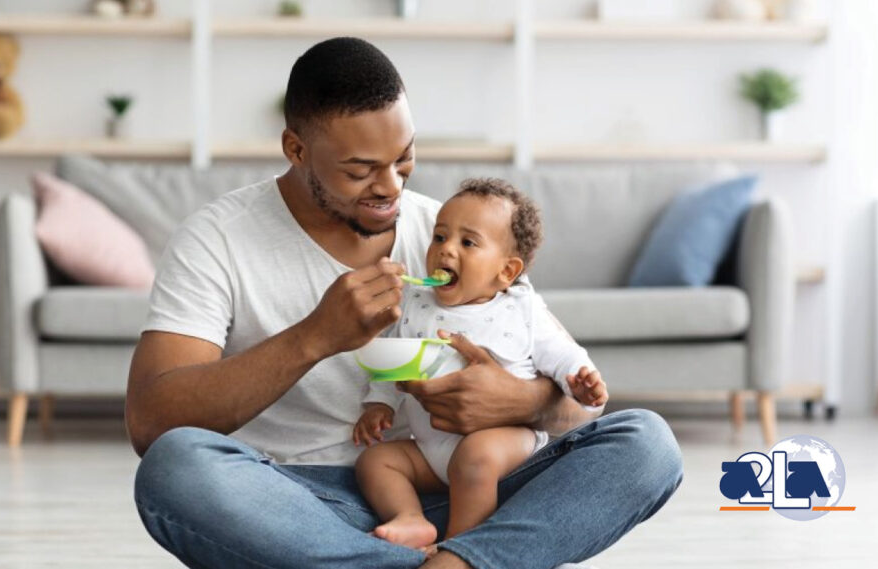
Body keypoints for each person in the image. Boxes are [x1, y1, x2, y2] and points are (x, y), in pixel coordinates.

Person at [127, 36, 683, 569]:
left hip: (462, 490)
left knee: (646, 443)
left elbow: (581, 404)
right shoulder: (216, 240)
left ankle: (449, 560)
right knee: (175, 471)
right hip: (294, 503)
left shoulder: (454, 234)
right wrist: (315, 336)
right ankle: (472, 560)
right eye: (360, 169)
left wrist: (519, 402)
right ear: (296, 149)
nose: (390, 186)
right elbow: (153, 425)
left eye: (404, 157)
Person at [353, 178, 608, 557]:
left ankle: (459, 550)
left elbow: (562, 355)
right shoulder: (416, 302)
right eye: (440, 237)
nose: (446, 251)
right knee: (376, 461)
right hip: (431, 452)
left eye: (467, 243)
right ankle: (411, 518)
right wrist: (379, 405)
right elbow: (397, 360)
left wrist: (581, 381)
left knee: (476, 457)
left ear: (506, 272)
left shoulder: (520, 309)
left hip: (505, 444)